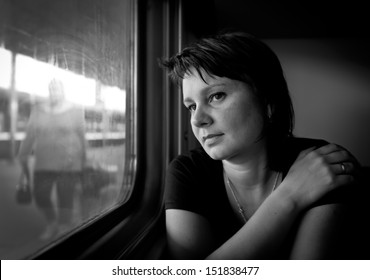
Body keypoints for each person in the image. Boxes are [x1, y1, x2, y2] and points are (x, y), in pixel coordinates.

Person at [160, 31, 363, 259]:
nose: (197, 120)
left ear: (267, 101)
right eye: (191, 106)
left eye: (216, 96)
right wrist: (290, 195)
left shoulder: (323, 163)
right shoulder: (188, 172)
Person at [18, 78, 87, 240]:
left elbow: (82, 137)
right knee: (40, 196)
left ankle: (63, 226)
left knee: (66, 198)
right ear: (48, 91)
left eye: (57, 88)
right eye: (51, 88)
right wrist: (23, 153)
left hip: (69, 164)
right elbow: (30, 135)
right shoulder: (38, 111)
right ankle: (52, 222)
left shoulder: (75, 111)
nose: (54, 92)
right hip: (43, 162)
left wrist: (85, 159)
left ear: (63, 91)